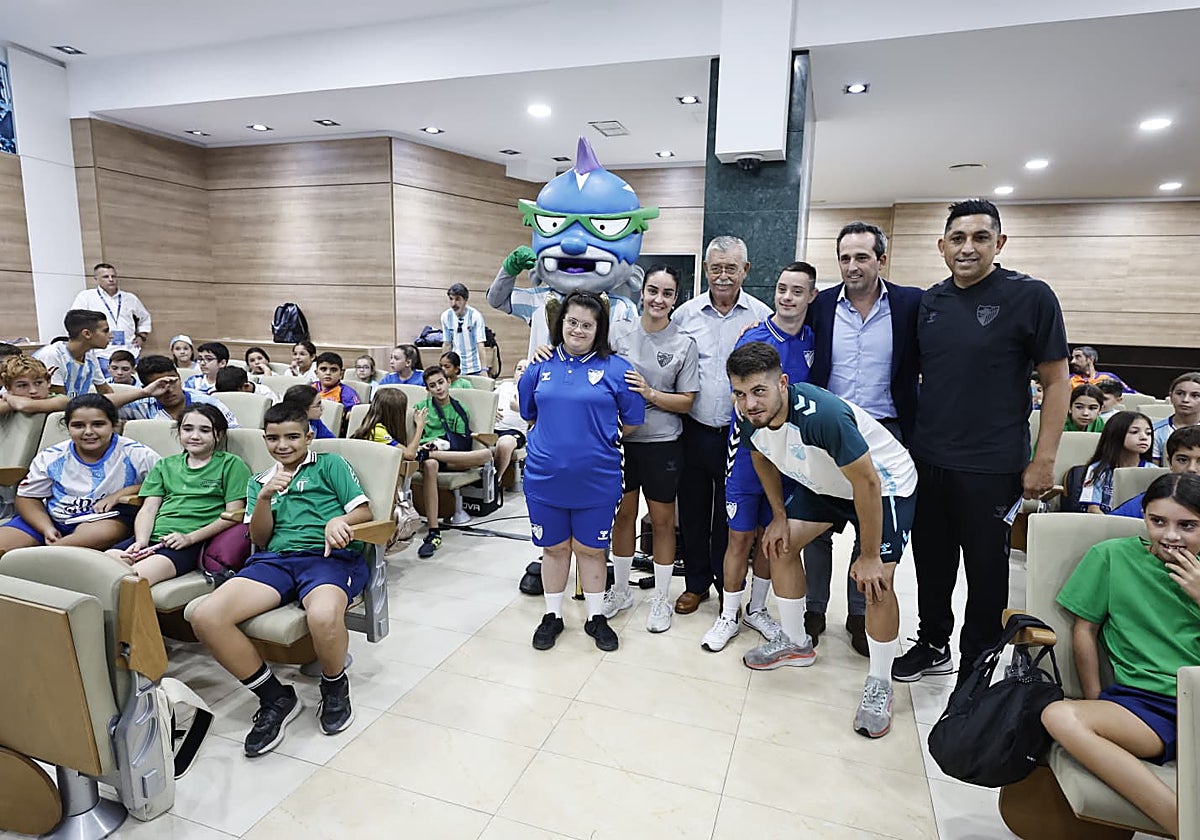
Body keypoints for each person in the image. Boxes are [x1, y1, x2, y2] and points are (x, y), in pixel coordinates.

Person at [898, 198, 1070, 685]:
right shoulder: (930, 302)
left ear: (1000, 243)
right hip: (929, 459)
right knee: (931, 563)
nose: (967, 247)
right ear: (941, 246)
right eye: (957, 238)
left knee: (986, 571)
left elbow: (1056, 382)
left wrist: (1045, 459)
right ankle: (933, 643)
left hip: (994, 465)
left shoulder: (1030, 296)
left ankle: (978, 661)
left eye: (979, 237)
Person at [726, 343, 917, 739]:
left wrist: (867, 556)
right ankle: (796, 642)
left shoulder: (822, 415)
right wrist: (779, 516)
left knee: (876, 579)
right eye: (741, 393)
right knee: (778, 544)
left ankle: (881, 682)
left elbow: (867, 481)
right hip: (827, 482)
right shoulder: (749, 416)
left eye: (759, 391)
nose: (749, 403)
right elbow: (760, 455)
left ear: (782, 383)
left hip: (883, 483)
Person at [189, 401, 376, 756]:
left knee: (322, 616)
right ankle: (275, 698)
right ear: (264, 439)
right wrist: (263, 497)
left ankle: (334, 685)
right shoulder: (259, 480)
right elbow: (258, 539)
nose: (284, 445)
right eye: (274, 438)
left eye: (293, 437)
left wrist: (340, 522)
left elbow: (363, 511)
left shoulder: (330, 465)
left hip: (327, 558)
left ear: (308, 436)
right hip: (274, 560)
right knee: (205, 616)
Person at [1041, 472, 1200, 838]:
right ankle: (1183, 824)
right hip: (1146, 706)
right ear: (1143, 516)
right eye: (1158, 521)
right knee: (1061, 717)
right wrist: (1096, 697)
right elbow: (1085, 630)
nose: (1171, 536)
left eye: (1187, 525)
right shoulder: (1111, 556)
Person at [803, 221, 923, 656]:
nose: (852, 266)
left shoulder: (911, 304)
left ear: (881, 259)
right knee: (815, 523)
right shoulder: (820, 306)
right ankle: (813, 607)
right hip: (828, 430)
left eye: (862, 257)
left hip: (886, 432)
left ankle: (858, 614)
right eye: (845, 258)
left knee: (869, 527)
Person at [701, 262, 816, 653]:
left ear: (811, 297)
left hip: (793, 462)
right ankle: (728, 613)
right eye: (782, 288)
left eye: (797, 291)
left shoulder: (812, 340)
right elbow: (739, 400)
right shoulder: (753, 337)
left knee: (774, 540)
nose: (787, 297)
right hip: (750, 458)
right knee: (738, 537)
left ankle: (756, 609)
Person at [521, 290, 645, 652]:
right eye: (572, 322)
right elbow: (530, 415)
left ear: (598, 329)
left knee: (592, 550)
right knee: (555, 549)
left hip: (598, 479)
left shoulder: (619, 370)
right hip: (545, 478)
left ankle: (595, 617)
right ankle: (553, 615)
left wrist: (595, 439)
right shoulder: (538, 368)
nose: (577, 330)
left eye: (586, 325)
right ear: (561, 324)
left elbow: (632, 423)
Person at [671, 235, 773, 615]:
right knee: (694, 510)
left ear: (745, 270)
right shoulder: (685, 315)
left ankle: (724, 583)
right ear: (706, 270)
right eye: (716, 268)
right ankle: (696, 584)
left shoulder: (761, 317)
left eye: (731, 267)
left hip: (741, 437)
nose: (724, 275)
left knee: (729, 516)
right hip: (695, 429)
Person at [604, 266, 698, 634]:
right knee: (622, 517)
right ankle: (622, 590)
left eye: (668, 293)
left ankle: (660, 597)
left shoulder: (683, 343)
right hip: (621, 442)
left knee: (662, 522)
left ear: (676, 299)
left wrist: (650, 394)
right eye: (653, 291)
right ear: (641, 293)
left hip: (662, 444)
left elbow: (687, 402)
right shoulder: (618, 333)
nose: (659, 299)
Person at [107, 404, 251, 584]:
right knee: (100, 571)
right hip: (151, 536)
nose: (195, 436)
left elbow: (233, 516)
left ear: (220, 434)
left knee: (128, 582)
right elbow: (149, 509)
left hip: (190, 543)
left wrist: (189, 538)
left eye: (205, 430)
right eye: (188, 429)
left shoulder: (231, 464)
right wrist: (141, 541)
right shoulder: (165, 465)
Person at [0, 394, 159, 557]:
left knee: (85, 540)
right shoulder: (52, 456)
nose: (88, 432)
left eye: (98, 424)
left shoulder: (138, 454)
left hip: (103, 520)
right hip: (52, 518)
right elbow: (27, 497)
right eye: (78, 425)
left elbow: (167, 484)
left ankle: (39, 558)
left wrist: (121, 494)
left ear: (113, 424)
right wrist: (46, 528)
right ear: (67, 427)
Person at [412, 365, 494, 558]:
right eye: (433, 385)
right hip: (428, 455)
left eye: (441, 382)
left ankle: (432, 455)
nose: (438, 388)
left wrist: (438, 448)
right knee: (430, 463)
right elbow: (416, 441)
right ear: (427, 389)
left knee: (486, 455)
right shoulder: (421, 409)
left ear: (448, 382)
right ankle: (434, 532)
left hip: (453, 456)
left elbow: (461, 441)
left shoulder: (459, 407)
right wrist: (422, 432)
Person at [119, 355, 240, 429]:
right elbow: (102, 406)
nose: (169, 390)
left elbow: (234, 434)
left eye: (172, 382)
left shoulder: (208, 403)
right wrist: (143, 393)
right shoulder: (141, 405)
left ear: (179, 377)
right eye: (159, 386)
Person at [69, 263, 152, 367]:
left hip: (130, 351)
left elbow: (145, 318)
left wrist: (142, 336)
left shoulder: (130, 298)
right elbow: (75, 320)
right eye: (105, 277)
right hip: (101, 353)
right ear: (96, 279)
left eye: (113, 276)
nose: (111, 279)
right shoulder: (86, 296)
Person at [1113, 426, 1200, 518]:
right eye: (1182, 460)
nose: (1191, 469)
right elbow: (1113, 527)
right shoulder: (1148, 502)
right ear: (1169, 462)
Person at [1079, 411, 1154, 514]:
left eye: (1148, 433)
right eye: (1134, 432)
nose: (1144, 437)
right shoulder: (1097, 470)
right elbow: (1093, 509)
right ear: (1116, 435)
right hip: (1104, 525)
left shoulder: (1153, 471)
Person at [43, 309, 113, 398]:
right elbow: (60, 400)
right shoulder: (52, 355)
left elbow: (105, 390)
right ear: (87, 334)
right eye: (105, 331)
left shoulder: (89, 355)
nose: (111, 336)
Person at [349, 387, 421, 458]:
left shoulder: (381, 428)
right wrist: (420, 426)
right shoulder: (377, 431)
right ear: (395, 413)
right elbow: (410, 454)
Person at [493, 358, 530, 487]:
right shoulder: (504, 386)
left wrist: (519, 408)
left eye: (526, 369)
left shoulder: (534, 390)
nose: (522, 372)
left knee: (504, 444)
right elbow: (488, 401)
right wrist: (492, 410)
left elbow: (539, 415)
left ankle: (495, 480)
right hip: (492, 427)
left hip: (514, 431)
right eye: (519, 369)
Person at [1151, 372, 1200, 465]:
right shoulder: (1154, 431)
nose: (1185, 400)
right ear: (1171, 396)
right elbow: (1154, 470)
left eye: (1195, 395)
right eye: (1180, 393)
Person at [441, 283, 488, 376]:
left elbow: (480, 344)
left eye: (457, 299)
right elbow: (447, 344)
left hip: (474, 368)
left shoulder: (475, 316)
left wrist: (484, 369)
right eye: (451, 299)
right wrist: (443, 368)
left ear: (465, 300)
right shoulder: (446, 316)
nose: (453, 303)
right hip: (456, 368)